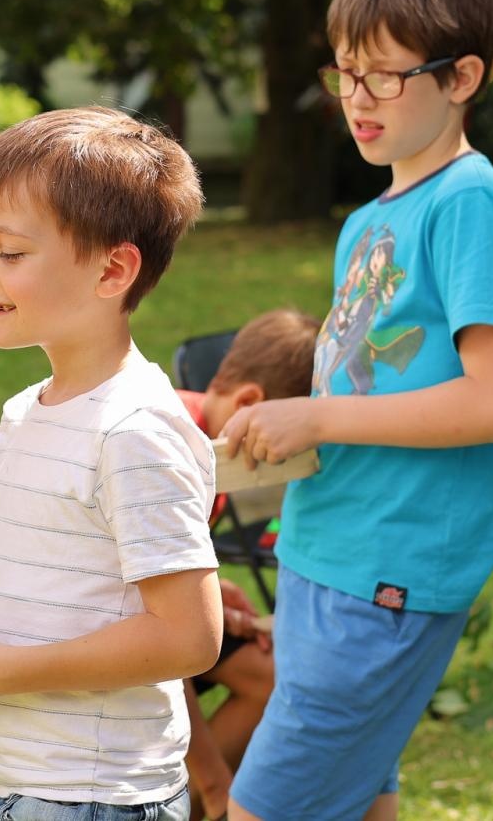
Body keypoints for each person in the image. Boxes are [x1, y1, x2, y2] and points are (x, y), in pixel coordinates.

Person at [222, 0, 493, 821]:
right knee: (365, 803)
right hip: (328, 555)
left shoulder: (469, 205)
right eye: (345, 74)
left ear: (463, 76)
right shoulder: (369, 220)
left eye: (385, 77)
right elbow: (365, 378)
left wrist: (318, 421)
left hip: (389, 574)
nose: (356, 100)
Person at [0, 107, 223, 821]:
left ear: (112, 270)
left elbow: (189, 636)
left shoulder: (133, 432)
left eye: (9, 253)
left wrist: (3, 670)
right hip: (30, 782)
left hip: (94, 800)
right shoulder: (26, 413)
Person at [174, 307, 320, 821]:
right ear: (252, 405)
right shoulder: (173, 454)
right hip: (115, 628)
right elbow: (162, 635)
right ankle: (208, 799)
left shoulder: (209, 443)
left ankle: (188, 808)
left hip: (161, 613)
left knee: (273, 676)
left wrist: (214, 590)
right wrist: (217, 785)